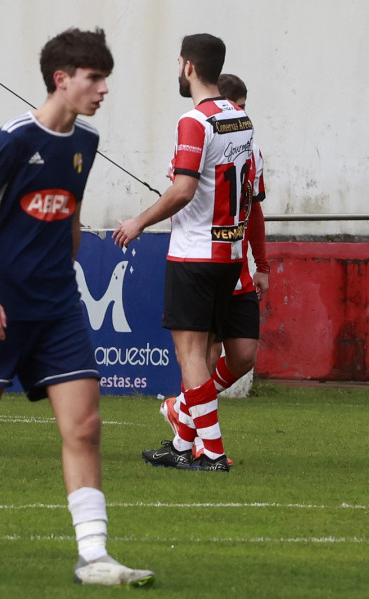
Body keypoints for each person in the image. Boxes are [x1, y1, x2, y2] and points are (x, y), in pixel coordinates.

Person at [0, 28, 154, 587]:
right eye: (94, 79)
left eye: (104, 79)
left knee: (85, 424)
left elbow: (68, 214)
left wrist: (61, 271)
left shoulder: (85, 143)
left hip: (58, 308)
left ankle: (94, 556)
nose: (103, 90)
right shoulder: (14, 139)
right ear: (61, 79)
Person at [113, 34, 254, 472]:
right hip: (229, 253)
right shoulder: (241, 117)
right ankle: (182, 434)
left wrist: (138, 221)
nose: (179, 70)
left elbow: (184, 188)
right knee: (205, 353)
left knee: (191, 356)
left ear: (189, 67)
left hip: (195, 253)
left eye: (179, 63)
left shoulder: (194, 120)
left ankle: (210, 451)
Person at [161, 73, 269, 463]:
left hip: (230, 261)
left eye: (241, 109)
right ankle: (195, 445)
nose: (237, 114)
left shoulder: (244, 145)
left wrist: (263, 264)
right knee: (200, 354)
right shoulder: (207, 133)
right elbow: (185, 190)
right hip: (208, 256)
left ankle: (183, 414)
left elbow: (254, 209)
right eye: (235, 106)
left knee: (239, 356)